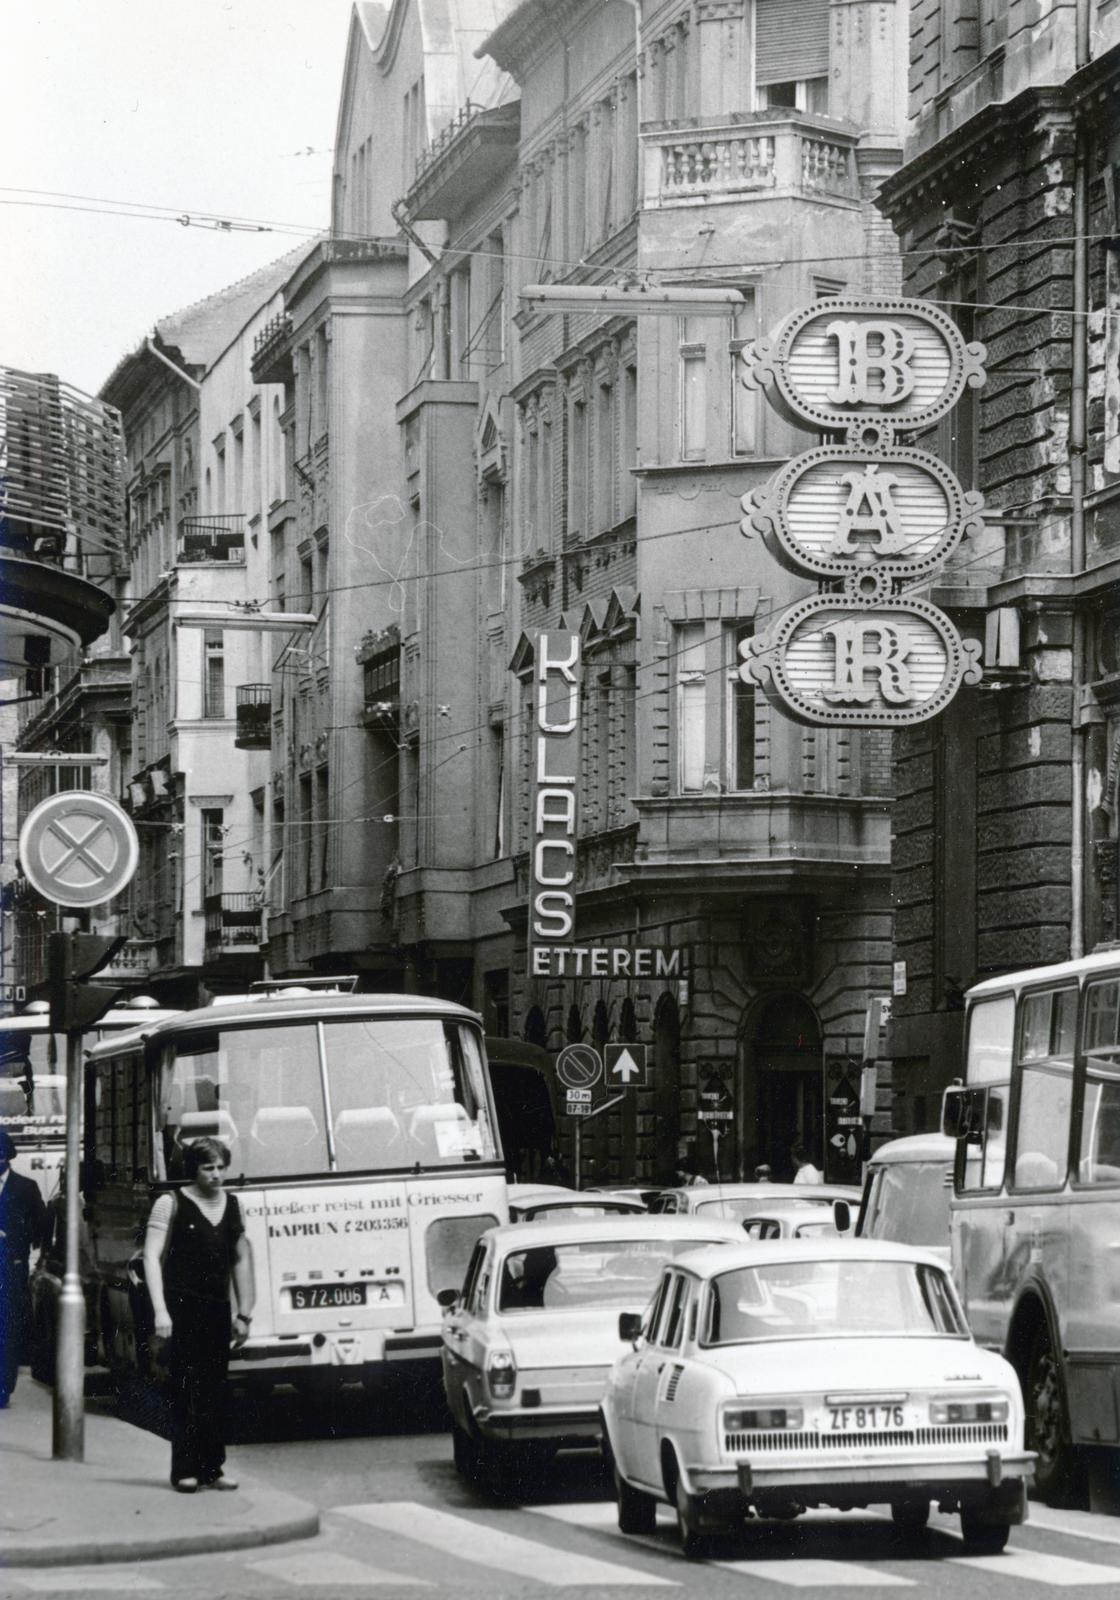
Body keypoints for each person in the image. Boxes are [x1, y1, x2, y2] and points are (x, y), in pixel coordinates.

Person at [143, 1137, 254, 1493]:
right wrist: (160, 1310)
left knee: (216, 1390)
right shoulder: (170, 1203)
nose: (217, 1175)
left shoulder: (233, 1205)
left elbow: (241, 1260)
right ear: (194, 1168)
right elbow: (150, 1258)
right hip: (181, 1308)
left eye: (222, 1167)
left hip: (217, 1309)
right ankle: (185, 1470)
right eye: (209, 1168)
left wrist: (245, 1314)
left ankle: (213, 1468)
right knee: (185, 1389)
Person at [0, 1129, 48, 1407]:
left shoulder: (26, 1187)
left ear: (8, 1157)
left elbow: (41, 1224)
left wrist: (16, 1237)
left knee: (8, 1327)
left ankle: (3, 1387)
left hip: (11, 1267)